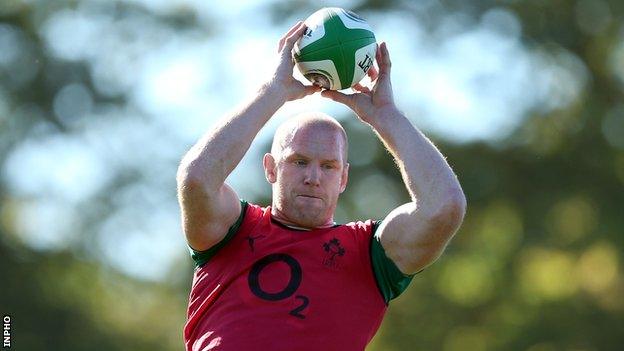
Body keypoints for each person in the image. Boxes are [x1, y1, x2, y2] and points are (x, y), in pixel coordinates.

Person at [177, 21, 466, 351]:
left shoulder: (369, 255)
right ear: (271, 168)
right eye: (299, 161)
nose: (313, 177)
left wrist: (387, 117)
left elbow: (444, 207)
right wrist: (272, 92)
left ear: (343, 178)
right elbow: (197, 180)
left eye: (328, 166)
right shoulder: (233, 231)